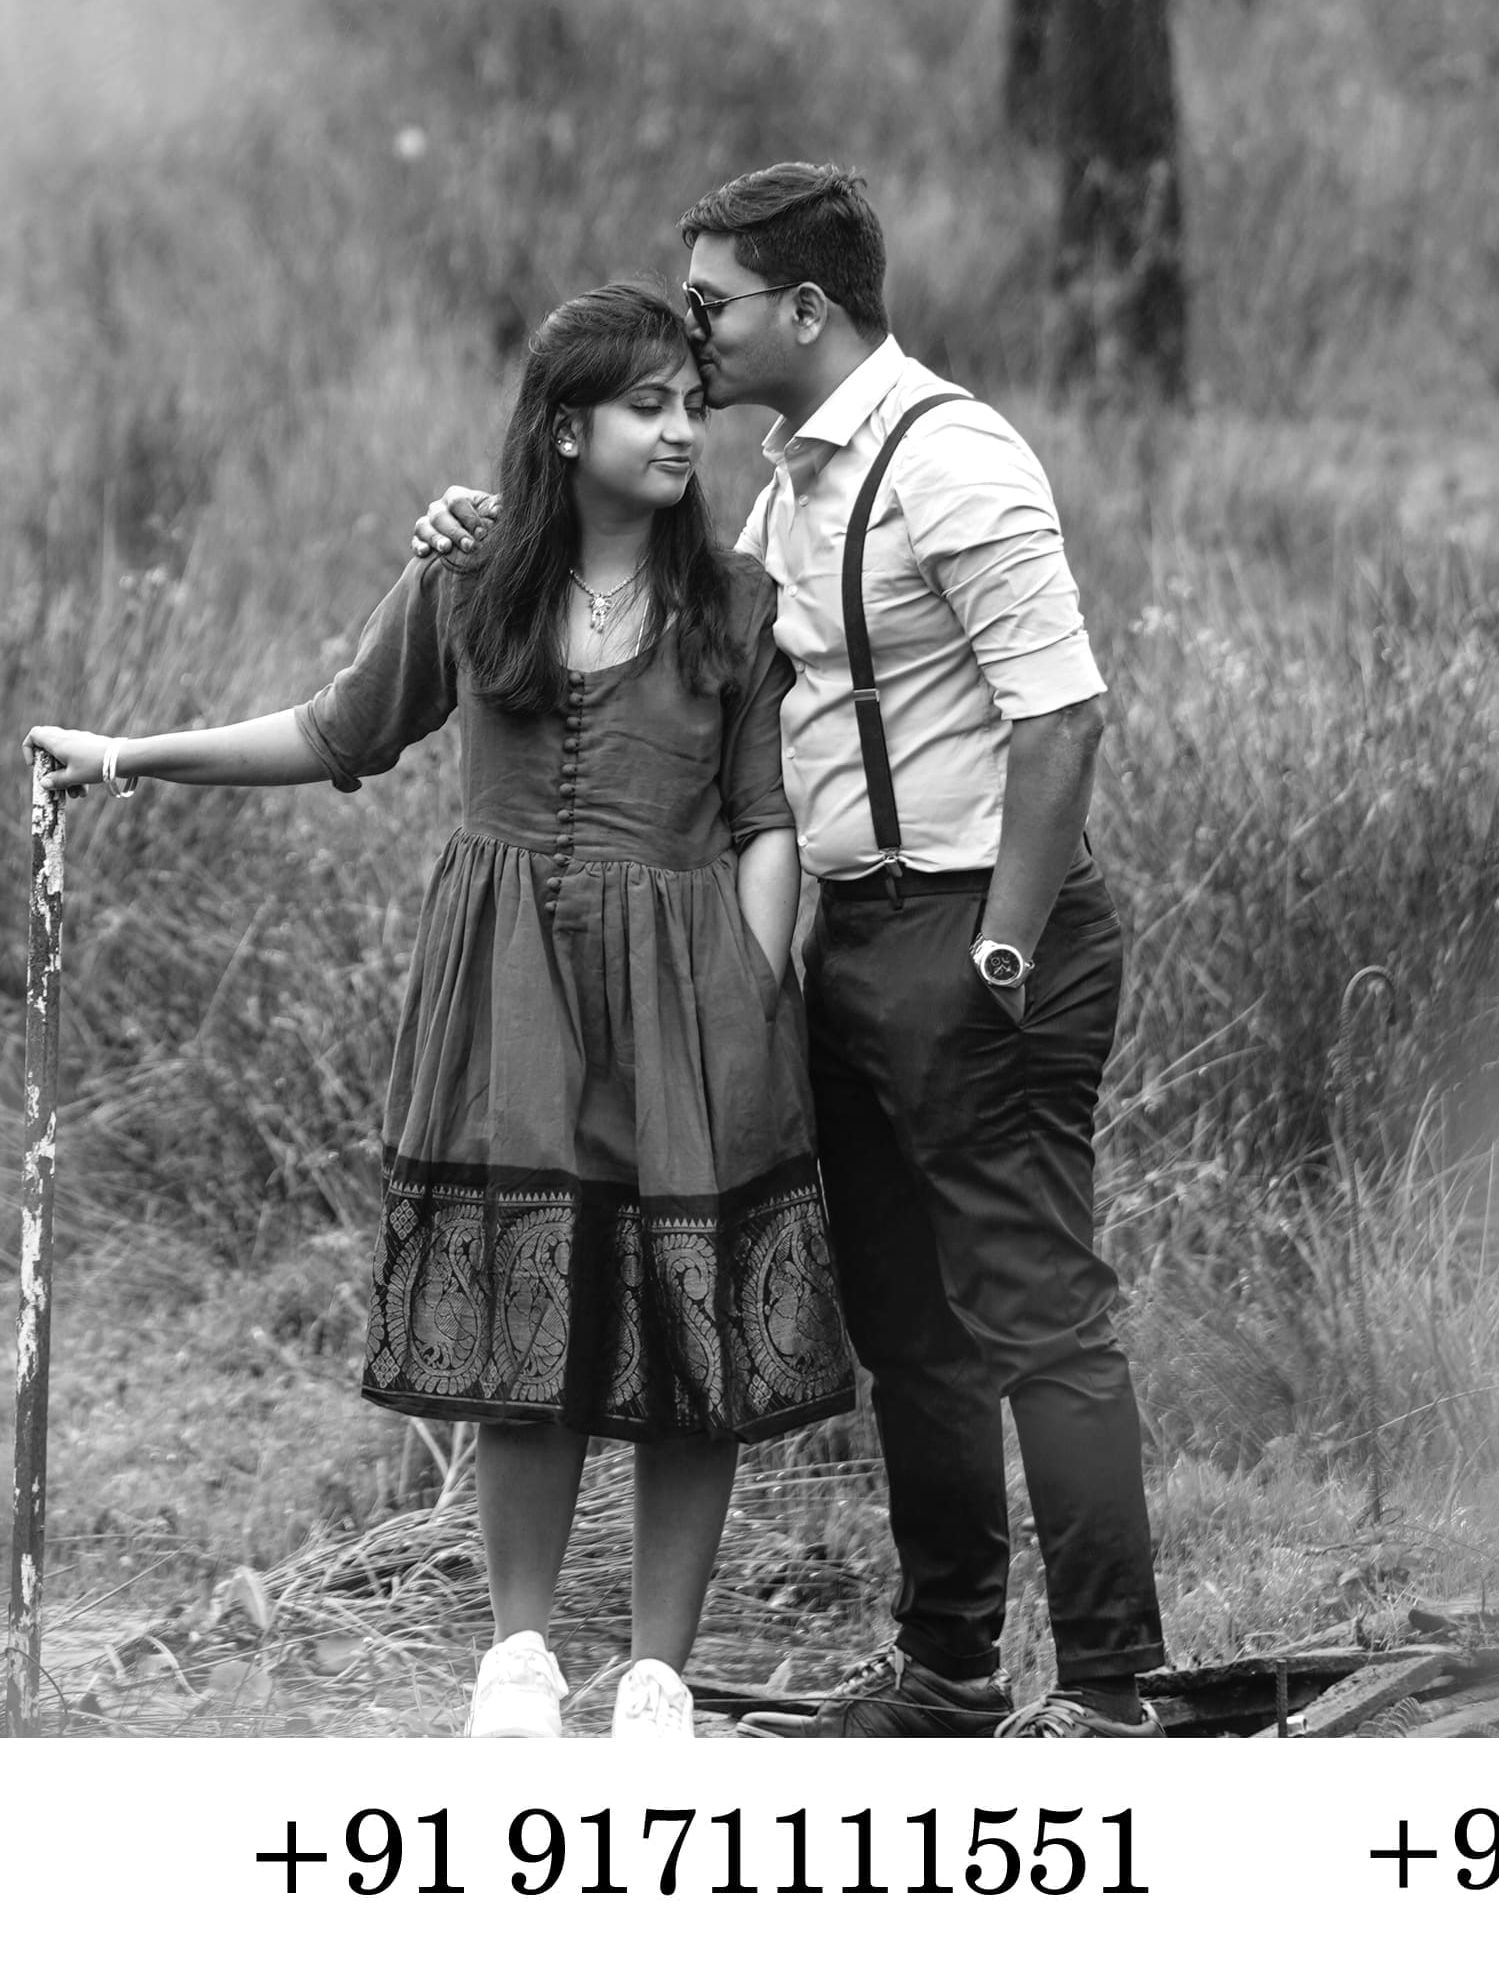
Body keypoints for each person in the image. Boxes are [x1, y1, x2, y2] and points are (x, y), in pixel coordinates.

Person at [410, 162, 1171, 1740]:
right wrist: (489, 524)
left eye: (713, 309)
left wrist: (1005, 957)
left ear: (805, 310)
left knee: (1037, 1314)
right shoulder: (786, 487)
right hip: (862, 939)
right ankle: (950, 1670)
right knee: (911, 1329)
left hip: (981, 930)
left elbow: (1066, 711)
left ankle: (1116, 1686)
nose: (694, 336)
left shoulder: (954, 460)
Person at [29, 283, 851, 1742]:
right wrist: (127, 754)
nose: (679, 431)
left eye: (687, 404)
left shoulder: (731, 604)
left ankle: (659, 1674)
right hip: (509, 990)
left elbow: (766, 813)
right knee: (521, 1316)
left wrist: (750, 978)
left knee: (684, 1329)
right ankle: (519, 1660)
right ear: (564, 426)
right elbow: (336, 729)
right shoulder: (468, 583)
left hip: (686, 989)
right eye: (645, 405)